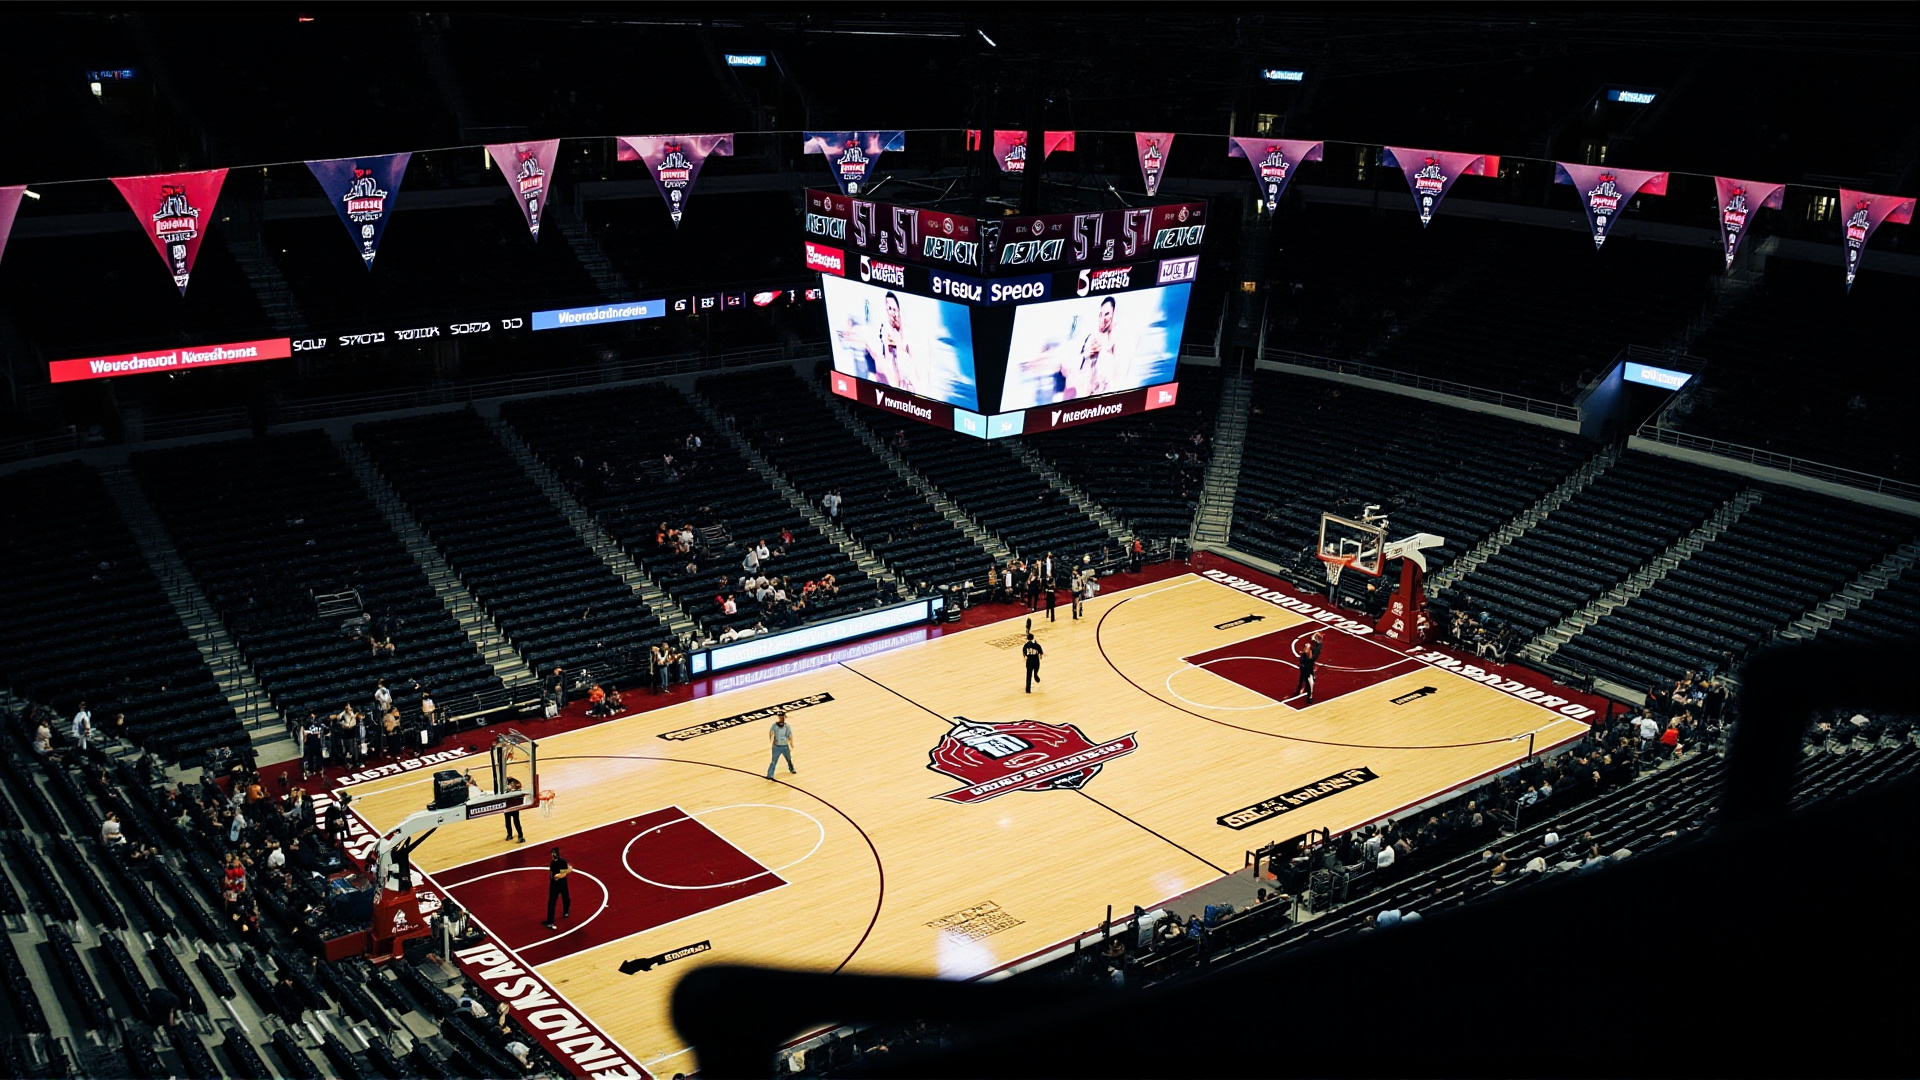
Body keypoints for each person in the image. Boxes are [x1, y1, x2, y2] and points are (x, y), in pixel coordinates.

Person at [542, 847, 572, 929]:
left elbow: (555, 876)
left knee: (552, 902)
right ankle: (566, 912)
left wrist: (560, 875)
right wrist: (564, 873)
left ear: (553, 855)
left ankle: (550, 922)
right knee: (566, 897)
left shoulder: (553, 864)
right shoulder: (563, 861)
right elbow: (569, 869)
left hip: (555, 885)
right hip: (563, 883)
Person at [1292, 631, 1324, 703]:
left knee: (1309, 680)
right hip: (1306, 665)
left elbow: (1309, 657)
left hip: (1307, 667)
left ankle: (1309, 696)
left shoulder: (1314, 651)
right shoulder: (1317, 647)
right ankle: (1300, 690)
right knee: (1302, 678)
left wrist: (1307, 650)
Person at [767, 710, 797, 779]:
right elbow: (771, 733)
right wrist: (771, 740)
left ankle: (791, 769)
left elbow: (790, 735)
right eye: (780, 717)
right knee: (774, 761)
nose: (781, 718)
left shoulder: (787, 726)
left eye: (782, 717)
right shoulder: (774, 726)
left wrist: (791, 743)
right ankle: (770, 774)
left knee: (789, 759)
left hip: (785, 746)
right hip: (776, 746)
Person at [504, 777, 526, 844]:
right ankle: (509, 834)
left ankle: (520, 836)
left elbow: (521, 794)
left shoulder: (516, 785)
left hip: (514, 806)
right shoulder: (505, 787)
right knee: (508, 822)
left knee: (516, 822)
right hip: (507, 806)